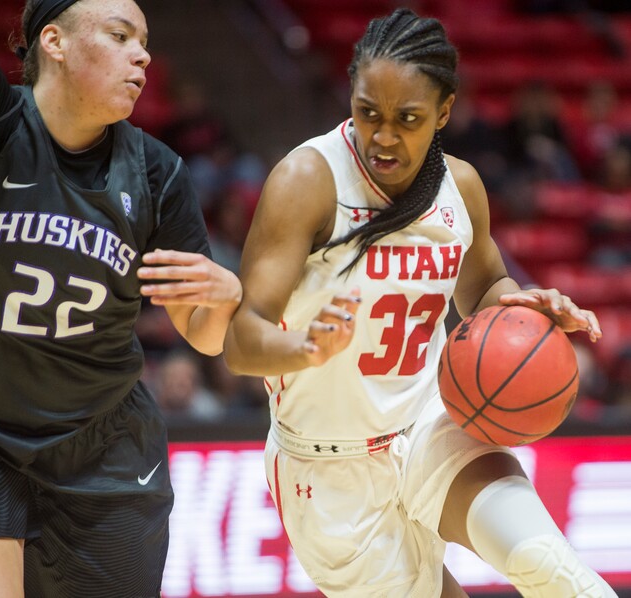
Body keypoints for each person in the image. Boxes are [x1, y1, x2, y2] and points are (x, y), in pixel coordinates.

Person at [223, 8, 615, 597]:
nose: (382, 136)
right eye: (367, 113)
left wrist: (525, 309)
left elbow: (484, 289)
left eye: (406, 119)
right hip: (328, 469)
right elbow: (240, 342)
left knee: (556, 572)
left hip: (431, 423)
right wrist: (302, 347)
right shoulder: (307, 180)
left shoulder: (462, 187)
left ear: (444, 112)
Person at [0, 0, 241, 596]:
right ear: (54, 41)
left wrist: (224, 300)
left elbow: (202, 332)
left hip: (106, 451)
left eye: (145, 41)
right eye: (120, 35)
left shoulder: (157, 172)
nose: (143, 55)